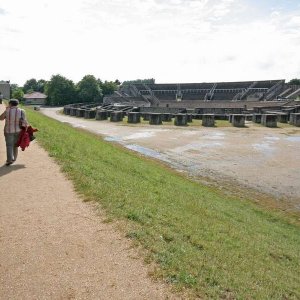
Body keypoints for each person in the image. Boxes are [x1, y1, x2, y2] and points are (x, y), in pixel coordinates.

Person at [0, 99, 28, 166]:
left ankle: (9, 160)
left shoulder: (7, 111)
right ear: (17, 104)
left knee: (9, 145)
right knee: (15, 145)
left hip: (8, 131)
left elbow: (1, 118)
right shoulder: (22, 111)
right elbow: (25, 122)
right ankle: (14, 159)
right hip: (18, 131)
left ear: (10, 104)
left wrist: (6, 110)